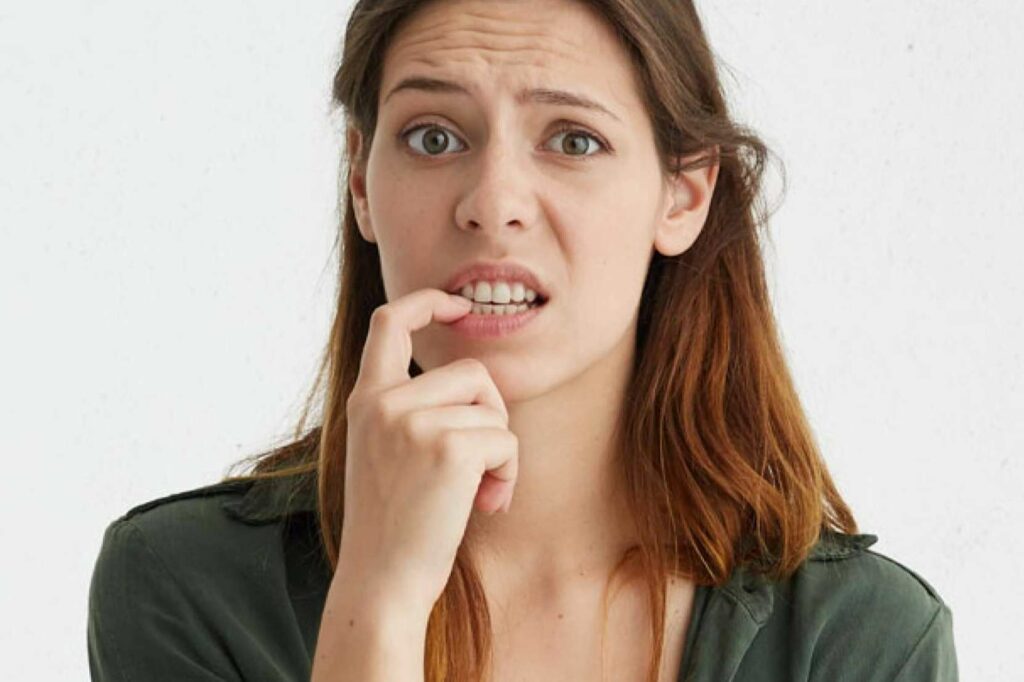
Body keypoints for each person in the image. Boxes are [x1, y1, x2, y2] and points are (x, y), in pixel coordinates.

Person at [86, 0, 959, 680]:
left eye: (573, 140)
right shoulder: (182, 589)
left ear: (684, 195)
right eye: (433, 137)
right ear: (360, 182)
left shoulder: (864, 641)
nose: (492, 202)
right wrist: (379, 604)